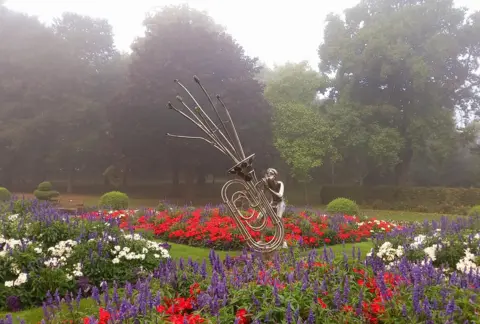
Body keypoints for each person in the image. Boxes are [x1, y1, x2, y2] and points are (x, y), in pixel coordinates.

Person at [263, 168, 288, 249]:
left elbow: (280, 195)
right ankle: (262, 240)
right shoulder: (269, 184)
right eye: (268, 174)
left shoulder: (280, 183)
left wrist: (270, 189)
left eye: (271, 174)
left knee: (279, 220)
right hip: (272, 202)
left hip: (280, 203)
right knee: (261, 217)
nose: (269, 175)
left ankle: (283, 242)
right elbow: (264, 193)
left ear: (275, 175)